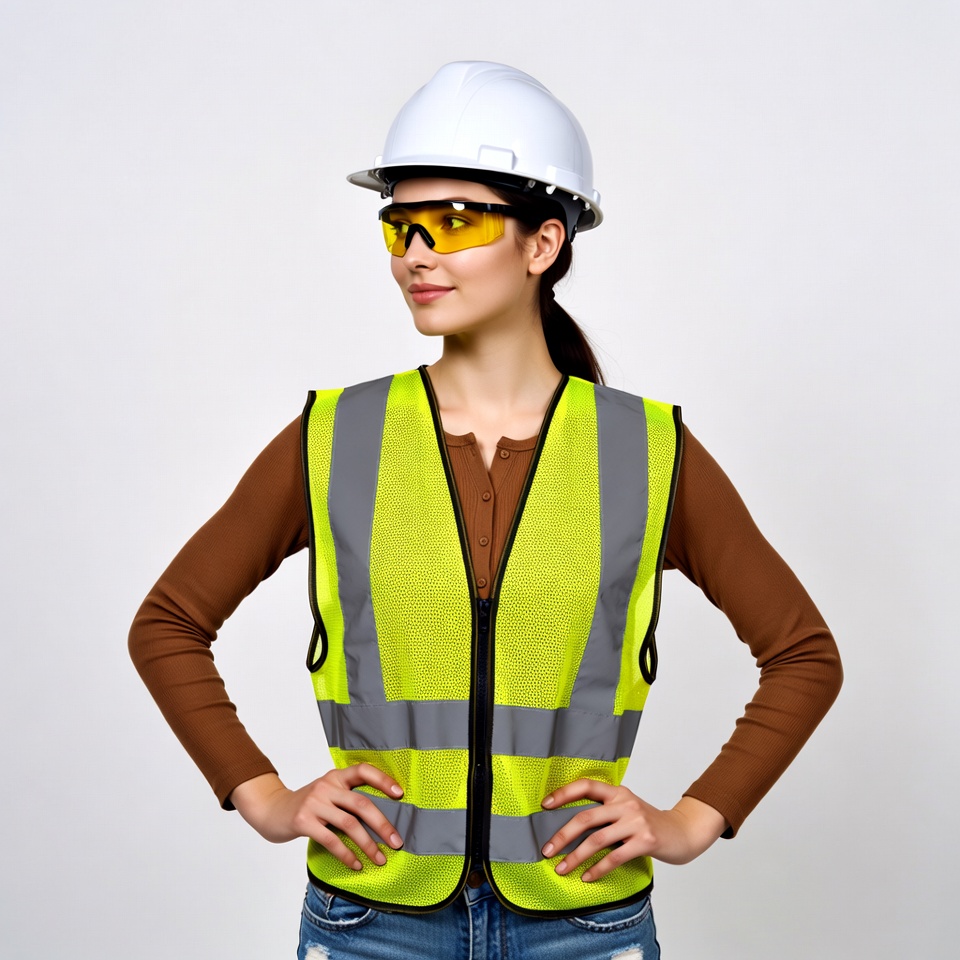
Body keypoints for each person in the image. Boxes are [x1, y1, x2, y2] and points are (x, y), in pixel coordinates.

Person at [129, 61, 842, 959]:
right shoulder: (335, 436)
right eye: (400, 225)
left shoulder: (645, 451)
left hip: (582, 925)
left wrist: (696, 819)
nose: (416, 254)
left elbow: (803, 655)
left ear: (543, 243)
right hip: (370, 924)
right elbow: (167, 623)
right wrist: (261, 794)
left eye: (455, 222)